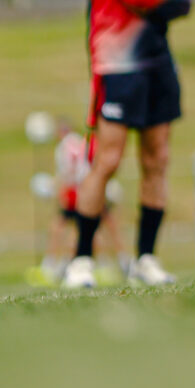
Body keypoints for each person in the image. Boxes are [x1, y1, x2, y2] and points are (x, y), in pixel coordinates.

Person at [63, 0, 193, 289]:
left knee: (158, 159)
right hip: (117, 62)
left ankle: (146, 260)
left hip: (158, 59)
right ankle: (81, 260)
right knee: (108, 160)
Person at [41, 120, 127, 284]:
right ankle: (112, 261)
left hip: (77, 190)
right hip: (90, 188)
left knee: (76, 226)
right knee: (98, 225)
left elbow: (68, 172)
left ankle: (62, 262)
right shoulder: (80, 141)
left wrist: (55, 188)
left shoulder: (64, 147)